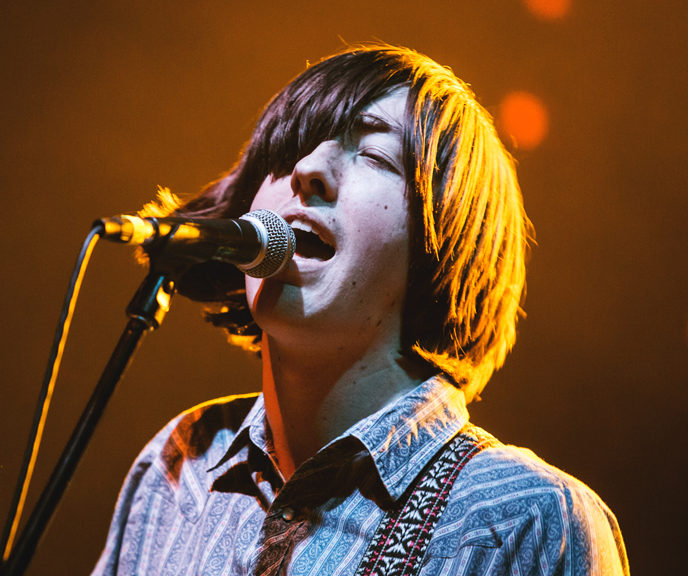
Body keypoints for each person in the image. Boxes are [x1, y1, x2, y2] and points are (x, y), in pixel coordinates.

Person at [91, 45, 628, 576]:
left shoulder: (527, 523)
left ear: (440, 242)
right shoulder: (181, 464)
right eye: (285, 154)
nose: (307, 169)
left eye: (372, 154)